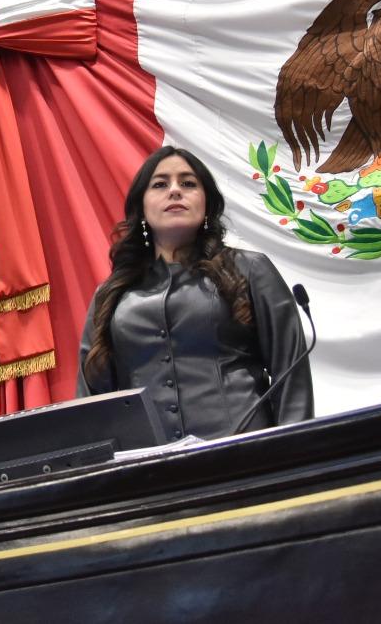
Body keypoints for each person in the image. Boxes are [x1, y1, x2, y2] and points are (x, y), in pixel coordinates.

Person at [77, 146, 313, 440]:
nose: (175, 191)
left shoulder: (250, 270)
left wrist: (294, 454)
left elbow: (291, 375)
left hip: (245, 454)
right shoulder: (111, 295)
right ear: (142, 209)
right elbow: (91, 399)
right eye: (160, 184)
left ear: (206, 205)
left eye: (188, 183)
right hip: (147, 468)